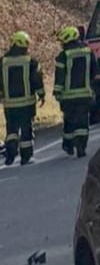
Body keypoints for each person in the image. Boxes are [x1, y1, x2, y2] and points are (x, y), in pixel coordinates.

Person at [0, 31, 45, 165]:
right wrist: (41, 94)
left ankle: (11, 152)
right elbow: (37, 80)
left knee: (11, 130)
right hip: (27, 103)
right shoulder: (31, 61)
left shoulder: (2, 61)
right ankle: (26, 157)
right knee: (26, 129)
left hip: (9, 104)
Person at [53, 25, 97, 158]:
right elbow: (94, 70)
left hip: (68, 96)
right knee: (83, 121)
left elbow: (60, 75)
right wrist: (90, 84)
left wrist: (57, 92)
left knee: (69, 120)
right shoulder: (88, 52)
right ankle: (81, 146)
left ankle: (68, 145)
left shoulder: (63, 55)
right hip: (85, 93)